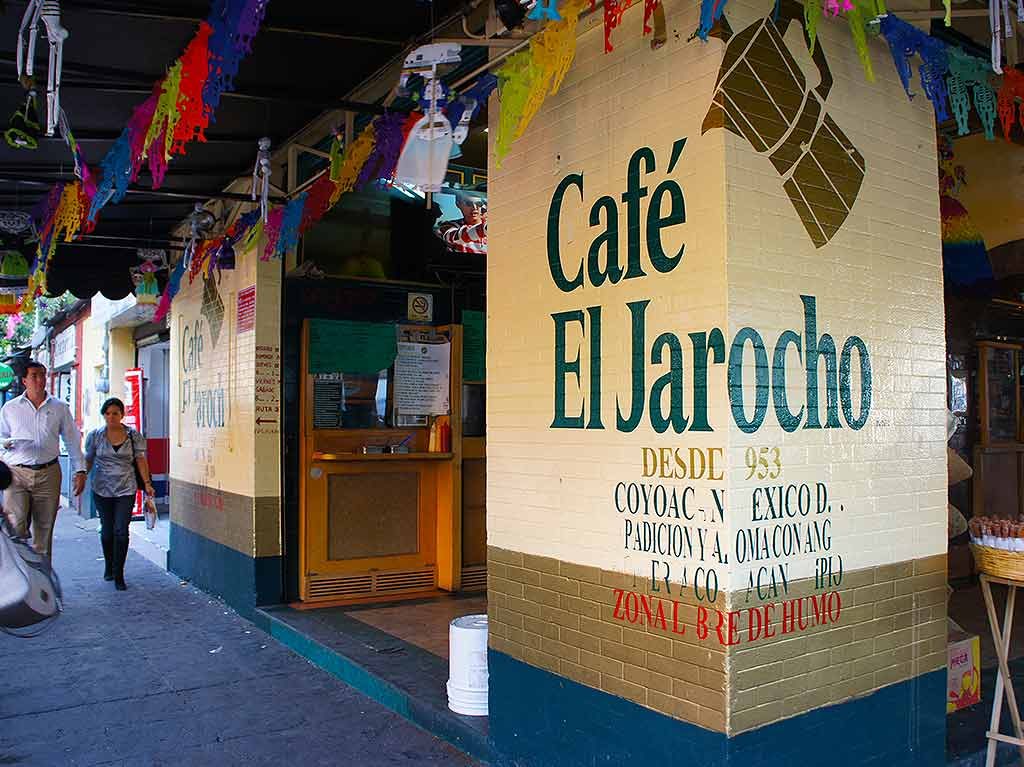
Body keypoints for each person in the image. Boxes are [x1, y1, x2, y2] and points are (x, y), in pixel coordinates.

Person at [0, 360, 85, 562]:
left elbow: (72, 439)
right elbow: (0, 437)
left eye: (42, 375)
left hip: (49, 472)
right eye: (34, 376)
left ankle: (43, 582)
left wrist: (80, 471)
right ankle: (18, 578)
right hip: (17, 473)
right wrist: (6, 444)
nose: (39, 380)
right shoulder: (10, 408)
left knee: (44, 531)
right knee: (16, 526)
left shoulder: (59, 408)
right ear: (24, 381)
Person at [84, 397, 154, 590]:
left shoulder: (133, 436)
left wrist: (147, 483)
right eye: (108, 413)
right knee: (107, 531)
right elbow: (88, 459)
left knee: (121, 530)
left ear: (122, 415)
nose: (111, 417)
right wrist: (81, 477)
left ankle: (119, 574)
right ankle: (109, 566)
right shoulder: (95, 436)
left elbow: (140, 459)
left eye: (115, 413)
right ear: (103, 415)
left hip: (126, 488)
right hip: (102, 488)